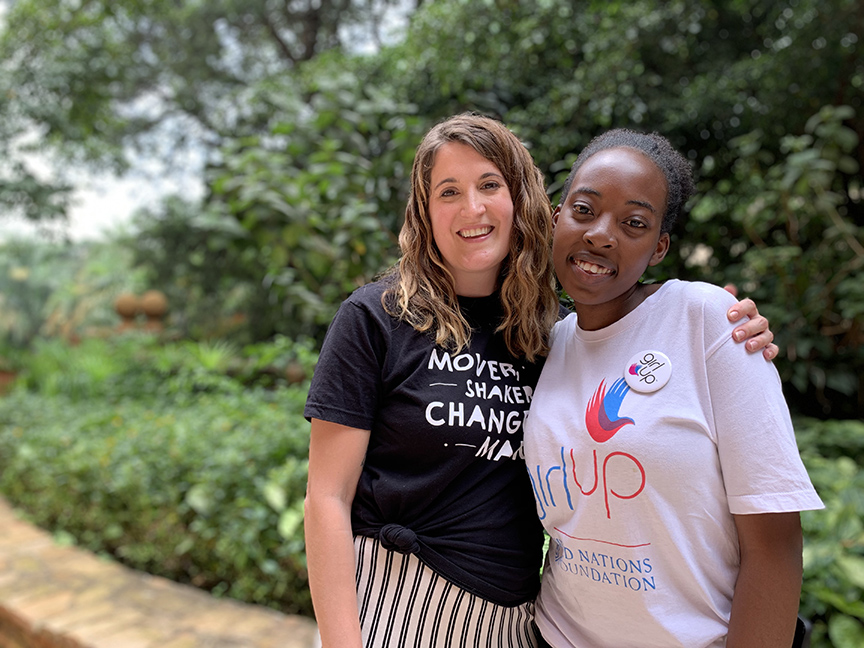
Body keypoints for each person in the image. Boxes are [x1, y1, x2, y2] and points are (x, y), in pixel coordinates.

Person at [303, 114, 776, 648]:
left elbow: (634, 317)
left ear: (520, 199)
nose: (472, 208)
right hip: (391, 605)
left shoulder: (549, 332)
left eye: (489, 185)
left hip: (519, 621)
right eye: (448, 192)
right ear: (424, 211)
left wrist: (720, 327)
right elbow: (326, 496)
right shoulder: (378, 316)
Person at [523, 129, 823, 648]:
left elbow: (774, 546)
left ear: (659, 247)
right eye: (584, 209)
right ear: (555, 218)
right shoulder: (548, 344)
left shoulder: (707, 321)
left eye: (634, 223)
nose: (601, 233)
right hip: (555, 634)